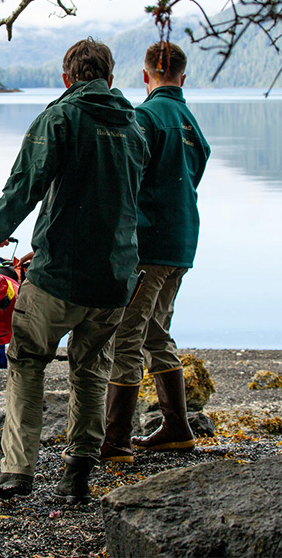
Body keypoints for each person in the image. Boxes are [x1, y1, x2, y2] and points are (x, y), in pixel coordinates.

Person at [0, 38, 149, 503]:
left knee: (27, 362)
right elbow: (126, 202)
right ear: (110, 80)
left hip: (59, 275)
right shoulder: (135, 127)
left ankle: (18, 472)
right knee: (90, 370)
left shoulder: (60, 116)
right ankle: (76, 475)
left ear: (66, 79)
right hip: (115, 279)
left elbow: (22, 189)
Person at [100, 42, 211, 465]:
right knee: (155, 331)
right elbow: (192, 178)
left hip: (148, 245)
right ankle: (178, 427)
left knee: (126, 336)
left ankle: (115, 441)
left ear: (144, 77)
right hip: (181, 245)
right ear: (183, 78)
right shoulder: (190, 122)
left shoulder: (144, 117)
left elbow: (127, 178)